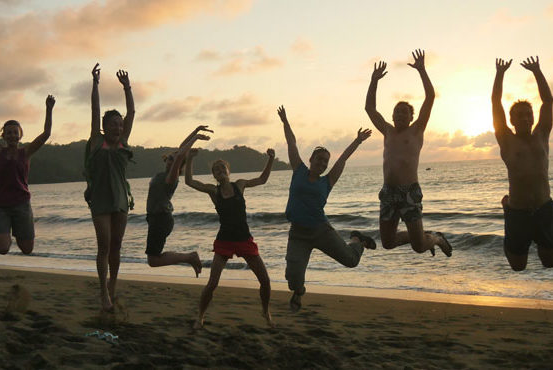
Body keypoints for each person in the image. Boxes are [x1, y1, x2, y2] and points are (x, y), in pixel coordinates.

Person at [278, 105, 375, 312]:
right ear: (311, 159)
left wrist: (357, 140)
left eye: (325, 161)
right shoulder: (298, 170)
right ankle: (299, 292)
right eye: (319, 159)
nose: (322, 163)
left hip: (321, 231)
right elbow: (291, 142)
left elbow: (343, 159)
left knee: (351, 261)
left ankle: (357, 240)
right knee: (293, 279)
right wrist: (285, 122)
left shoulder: (327, 181)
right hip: (298, 234)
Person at [364, 49, 452, 258]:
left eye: (405, 112)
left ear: (412, 117)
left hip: (409, 192)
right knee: (387, 243)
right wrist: (374, 80)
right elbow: (369, 108)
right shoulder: (387, 130)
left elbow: (430, 97)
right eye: (397, 111)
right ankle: (424, 235)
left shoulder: (417, 130)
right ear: (392, 116)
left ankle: (436, 238)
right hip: (388, 192)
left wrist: (422, 70)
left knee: (419, 246)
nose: (401, 114)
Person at [185, 147, 276, 328]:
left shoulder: (240, 184)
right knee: (212, 284)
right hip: (224, 241)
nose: (220, 171)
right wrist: (190, 159)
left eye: (222, 168)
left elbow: (262, 179)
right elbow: (189, 181)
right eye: (216, 170)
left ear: (228, 171)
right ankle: (200, 317)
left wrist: (271, 159)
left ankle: (266, 312)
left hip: (244, 239)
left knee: (265, 281)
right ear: (214, 176)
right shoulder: (213, 191)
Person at [0, 89, 55, 255]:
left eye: (15, 132)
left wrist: (49, 110)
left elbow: (46, 134)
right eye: (9, 133)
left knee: (27, 249)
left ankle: (17, 230)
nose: (12, 135)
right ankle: (5, 230)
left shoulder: (26, 152)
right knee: (3, 249)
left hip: (22, 205)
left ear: (20, 135)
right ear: (4, 135)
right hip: (0, 206)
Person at [492, 56, 553, 271]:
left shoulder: (542, 134)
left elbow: (548, 102)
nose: (526, 119)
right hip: (518, 212)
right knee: (518, 266)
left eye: (529, 115)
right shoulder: (506, 139)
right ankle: (506, 210)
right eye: (520, 116)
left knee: (549, 261)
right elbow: (496, 103)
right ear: (512, 120)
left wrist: (536, 71)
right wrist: (500, 74)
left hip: (545, 208)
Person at [84, 63, 135, 312]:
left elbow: (132, 112)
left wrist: (127, 87)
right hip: (101, 201)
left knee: (116, 245)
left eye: (120, 124)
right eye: (112, 124)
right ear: (105, 127)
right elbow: (95, 110)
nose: (117, 127)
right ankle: (103, 292)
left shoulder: (124, 142)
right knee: (103, 246)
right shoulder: (97, 141)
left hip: (121, 201)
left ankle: (112, 285)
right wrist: (95, 84)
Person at [145, 125, 212, 275]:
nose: (171, 161)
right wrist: (195, 131)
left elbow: (181, 155)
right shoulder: (162, 174)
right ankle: (189, 257)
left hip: (161, 219)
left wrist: (195, 139)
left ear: (178, 167)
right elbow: (181, 150)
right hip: (155, 219)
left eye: (174, 161)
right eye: (170, 158)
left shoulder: (171, 178)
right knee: (153, 259)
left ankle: (190, 257)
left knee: (153, 260)